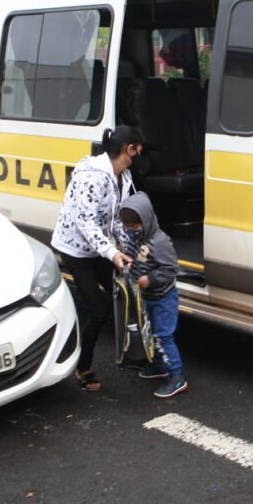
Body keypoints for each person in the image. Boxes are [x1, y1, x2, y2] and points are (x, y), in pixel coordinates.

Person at [51, 126, 144, 391]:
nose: (137, 158)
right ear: (129, 149)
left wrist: (130, 249)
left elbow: (116, 220)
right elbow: (85, 222)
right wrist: (113, 253)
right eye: (137, 152)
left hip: (96, 248)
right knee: (98, 308)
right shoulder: (93, 176)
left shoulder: (122, 177)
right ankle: (82, 368)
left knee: (121, 291)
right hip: (74, 248)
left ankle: (130, 352)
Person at [118, 193, 188, 399]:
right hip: (145, 297)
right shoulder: (136, 239)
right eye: (127, 226)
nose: (130, 230)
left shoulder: (160, 242)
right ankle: (159, 366)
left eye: (134, 226)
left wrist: (150, 279)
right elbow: (132, 257)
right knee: (149, 333)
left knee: (163, 335)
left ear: (145, 221)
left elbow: (170, 269)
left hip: (163, 298)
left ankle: (176, 376)